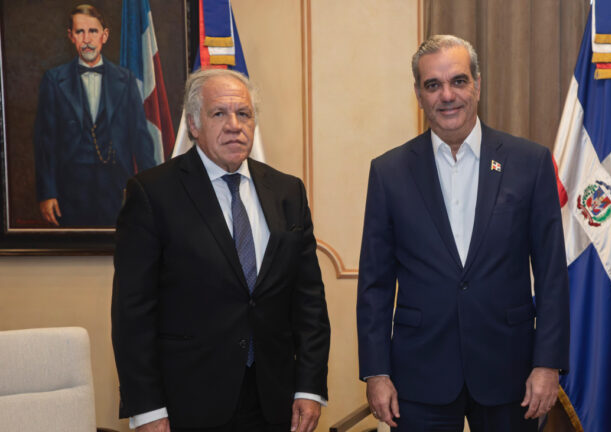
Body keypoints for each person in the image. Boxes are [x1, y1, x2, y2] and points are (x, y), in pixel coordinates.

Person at [356, 35, 569, 431]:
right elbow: (375, 283)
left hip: (511, 371)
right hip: (420, 375)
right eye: (433, 85)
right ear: (418, 94)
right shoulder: (388, 173)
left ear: (478, 84)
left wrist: (548, 363)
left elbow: (553, 275)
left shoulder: (530, 162)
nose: (447, 95)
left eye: (458, 81)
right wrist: (376, 372)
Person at [112, 69, 330, 432]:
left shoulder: (287, 192)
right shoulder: (152, 194)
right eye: (219, 114)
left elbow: (309, 301)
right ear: (194, 124)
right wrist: (147, 410)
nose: (234, 125)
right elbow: (132, 314)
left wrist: (310, 387)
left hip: (275, 401)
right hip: (189, 404)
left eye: (243, 114)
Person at [34, 4, 156, 227]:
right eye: (80, 32)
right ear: (71, 36)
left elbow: (140, 138)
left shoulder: (126, 79)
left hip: (116, 186)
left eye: (93, 31)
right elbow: (45, 142)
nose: (87, 39)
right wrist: (47, 193)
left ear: (105, 35)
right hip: (69, 188)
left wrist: (152, 190)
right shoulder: (53, 80)